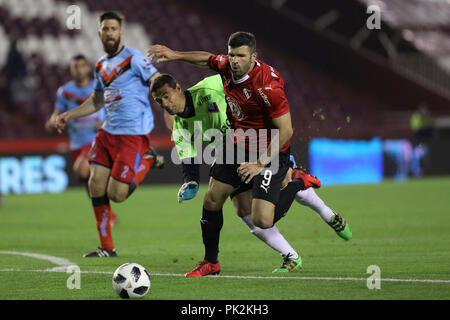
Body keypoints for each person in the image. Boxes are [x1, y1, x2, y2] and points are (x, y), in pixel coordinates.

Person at [148, 32, 329, 277]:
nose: (233, 60)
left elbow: (283, 128)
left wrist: (260, 161)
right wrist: (189, 181)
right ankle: (211, 262)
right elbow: (208, 60)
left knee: (264, 216)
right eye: (231, 54)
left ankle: (298, 183)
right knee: (217, 201)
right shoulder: (186, 118)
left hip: (257, 144)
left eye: (239, 55)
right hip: (232, 147)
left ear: (253, 56)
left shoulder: (240, 86)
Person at [55, 11, 163, 258]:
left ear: (121, 32)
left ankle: (148, 159)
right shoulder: (101, 65)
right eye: (105, 29)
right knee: (95, 185)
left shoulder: (134, 58)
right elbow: (96, 101)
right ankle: (107, 247)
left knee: (117, 195)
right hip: (107, 133)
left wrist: (167, 109)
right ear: (99, 32)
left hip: (132, 135)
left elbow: (157, 81)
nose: (110, 33)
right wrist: (69, 115)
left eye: (114, 29)